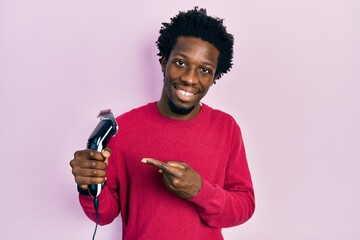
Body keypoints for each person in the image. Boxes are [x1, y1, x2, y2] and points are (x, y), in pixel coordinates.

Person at [70, 7, 255, 240]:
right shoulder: (123, 128)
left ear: (215, 77)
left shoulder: (226, 128)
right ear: (164, 62)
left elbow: (245, 205)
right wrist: (88, 185)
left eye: (205, 70)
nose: (189, 78)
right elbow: (104, 215)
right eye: (180, 63)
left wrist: (199, 191)